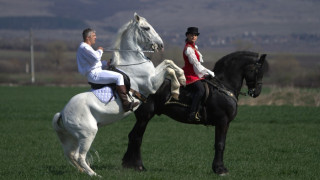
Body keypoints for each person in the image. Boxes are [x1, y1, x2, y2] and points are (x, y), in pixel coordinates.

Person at [76, 28, 139, 112]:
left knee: (118, 74)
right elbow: (96, 57)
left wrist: (106, 63)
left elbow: (94, 64)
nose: (95, 37)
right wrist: (100, 50)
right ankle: (126, 104)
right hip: (94, 75)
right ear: (88, 38)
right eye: (94, 36)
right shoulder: (84, 47)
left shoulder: (86, 47)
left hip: (95, 72)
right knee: (119, 77)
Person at [182, 27, 215, 121]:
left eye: (195, 35)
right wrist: (207, 72)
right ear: (187, 35)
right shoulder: (189, 49)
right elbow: (196, 64)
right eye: (191, 34)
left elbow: (198, 64)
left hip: (195, 73)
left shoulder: (194, 47)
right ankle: (192, 113)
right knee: (200, 90)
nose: (193, 36)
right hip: (190, 75)